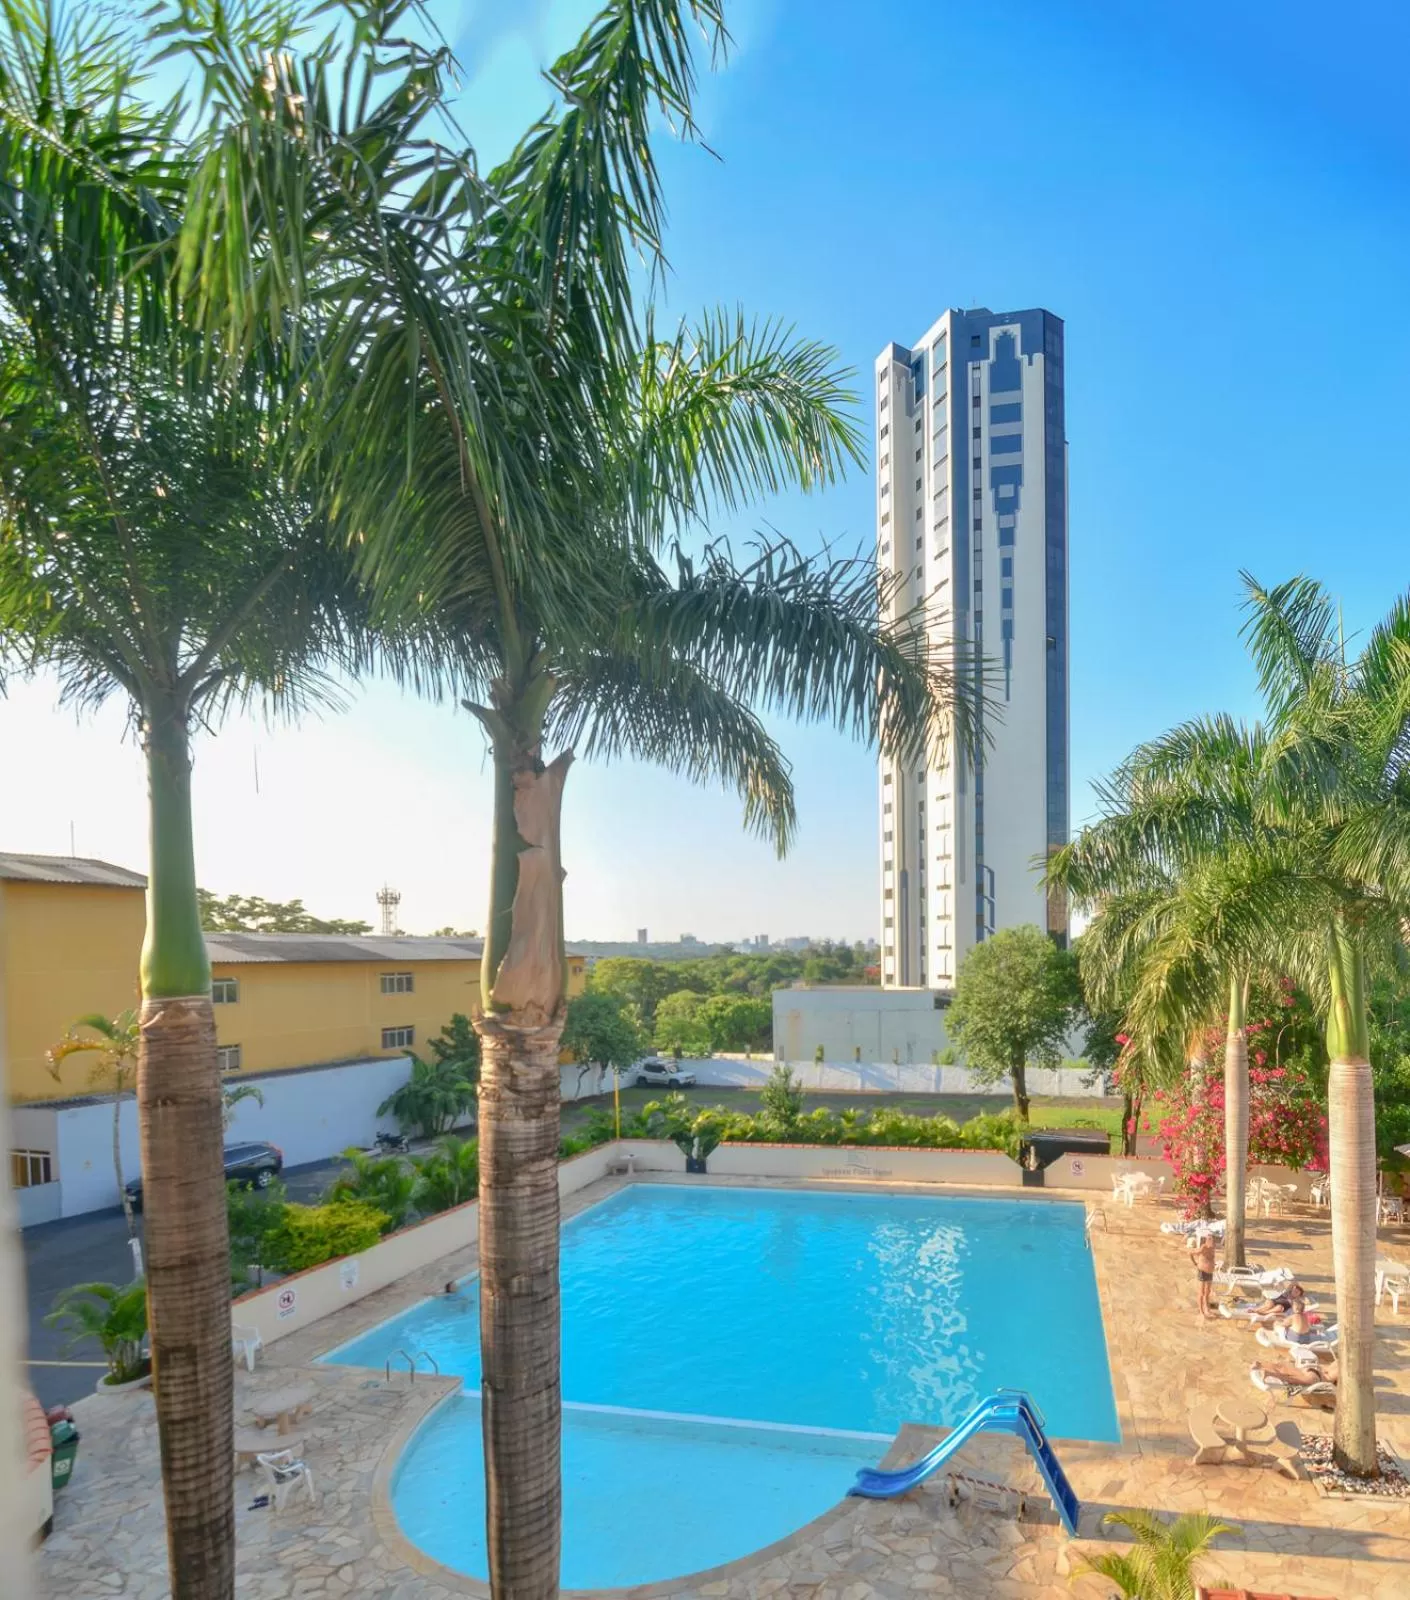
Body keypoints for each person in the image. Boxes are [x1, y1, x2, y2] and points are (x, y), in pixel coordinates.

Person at [1189, 1231, 1217, 1320]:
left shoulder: (1213, 1248)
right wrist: (1195, 1263)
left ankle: (1207, 1309)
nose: (1211, 1241)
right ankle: (1201, 1311)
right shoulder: (1203, 1248)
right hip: (1202, 1271)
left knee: (1207, 1292)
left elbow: (1211, 1258)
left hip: (1210, 1272)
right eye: (1209, 1239)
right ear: (1206, 1240)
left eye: (1212, 1239)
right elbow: (1190, 1253)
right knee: (1201, 1292)